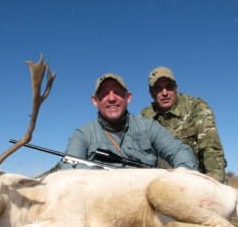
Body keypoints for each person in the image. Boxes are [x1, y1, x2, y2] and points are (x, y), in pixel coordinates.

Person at [61, 72, 197, 170]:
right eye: (104, 94)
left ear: (128, 97)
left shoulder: (148, 127)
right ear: (95, 101)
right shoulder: (82, 135)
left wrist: (181, 176)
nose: (112, 98)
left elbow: (181, 152)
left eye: (118, 92)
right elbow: (68, 170)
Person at [140, 66, 226, 183]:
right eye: (158, 88)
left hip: (200, 179)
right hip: (164, 184)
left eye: (169, 87)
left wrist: (213, 184)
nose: (164, 93)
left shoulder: (196, 107)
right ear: (151, 93)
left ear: (176, 88)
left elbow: (212, 149)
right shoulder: (145, 116)